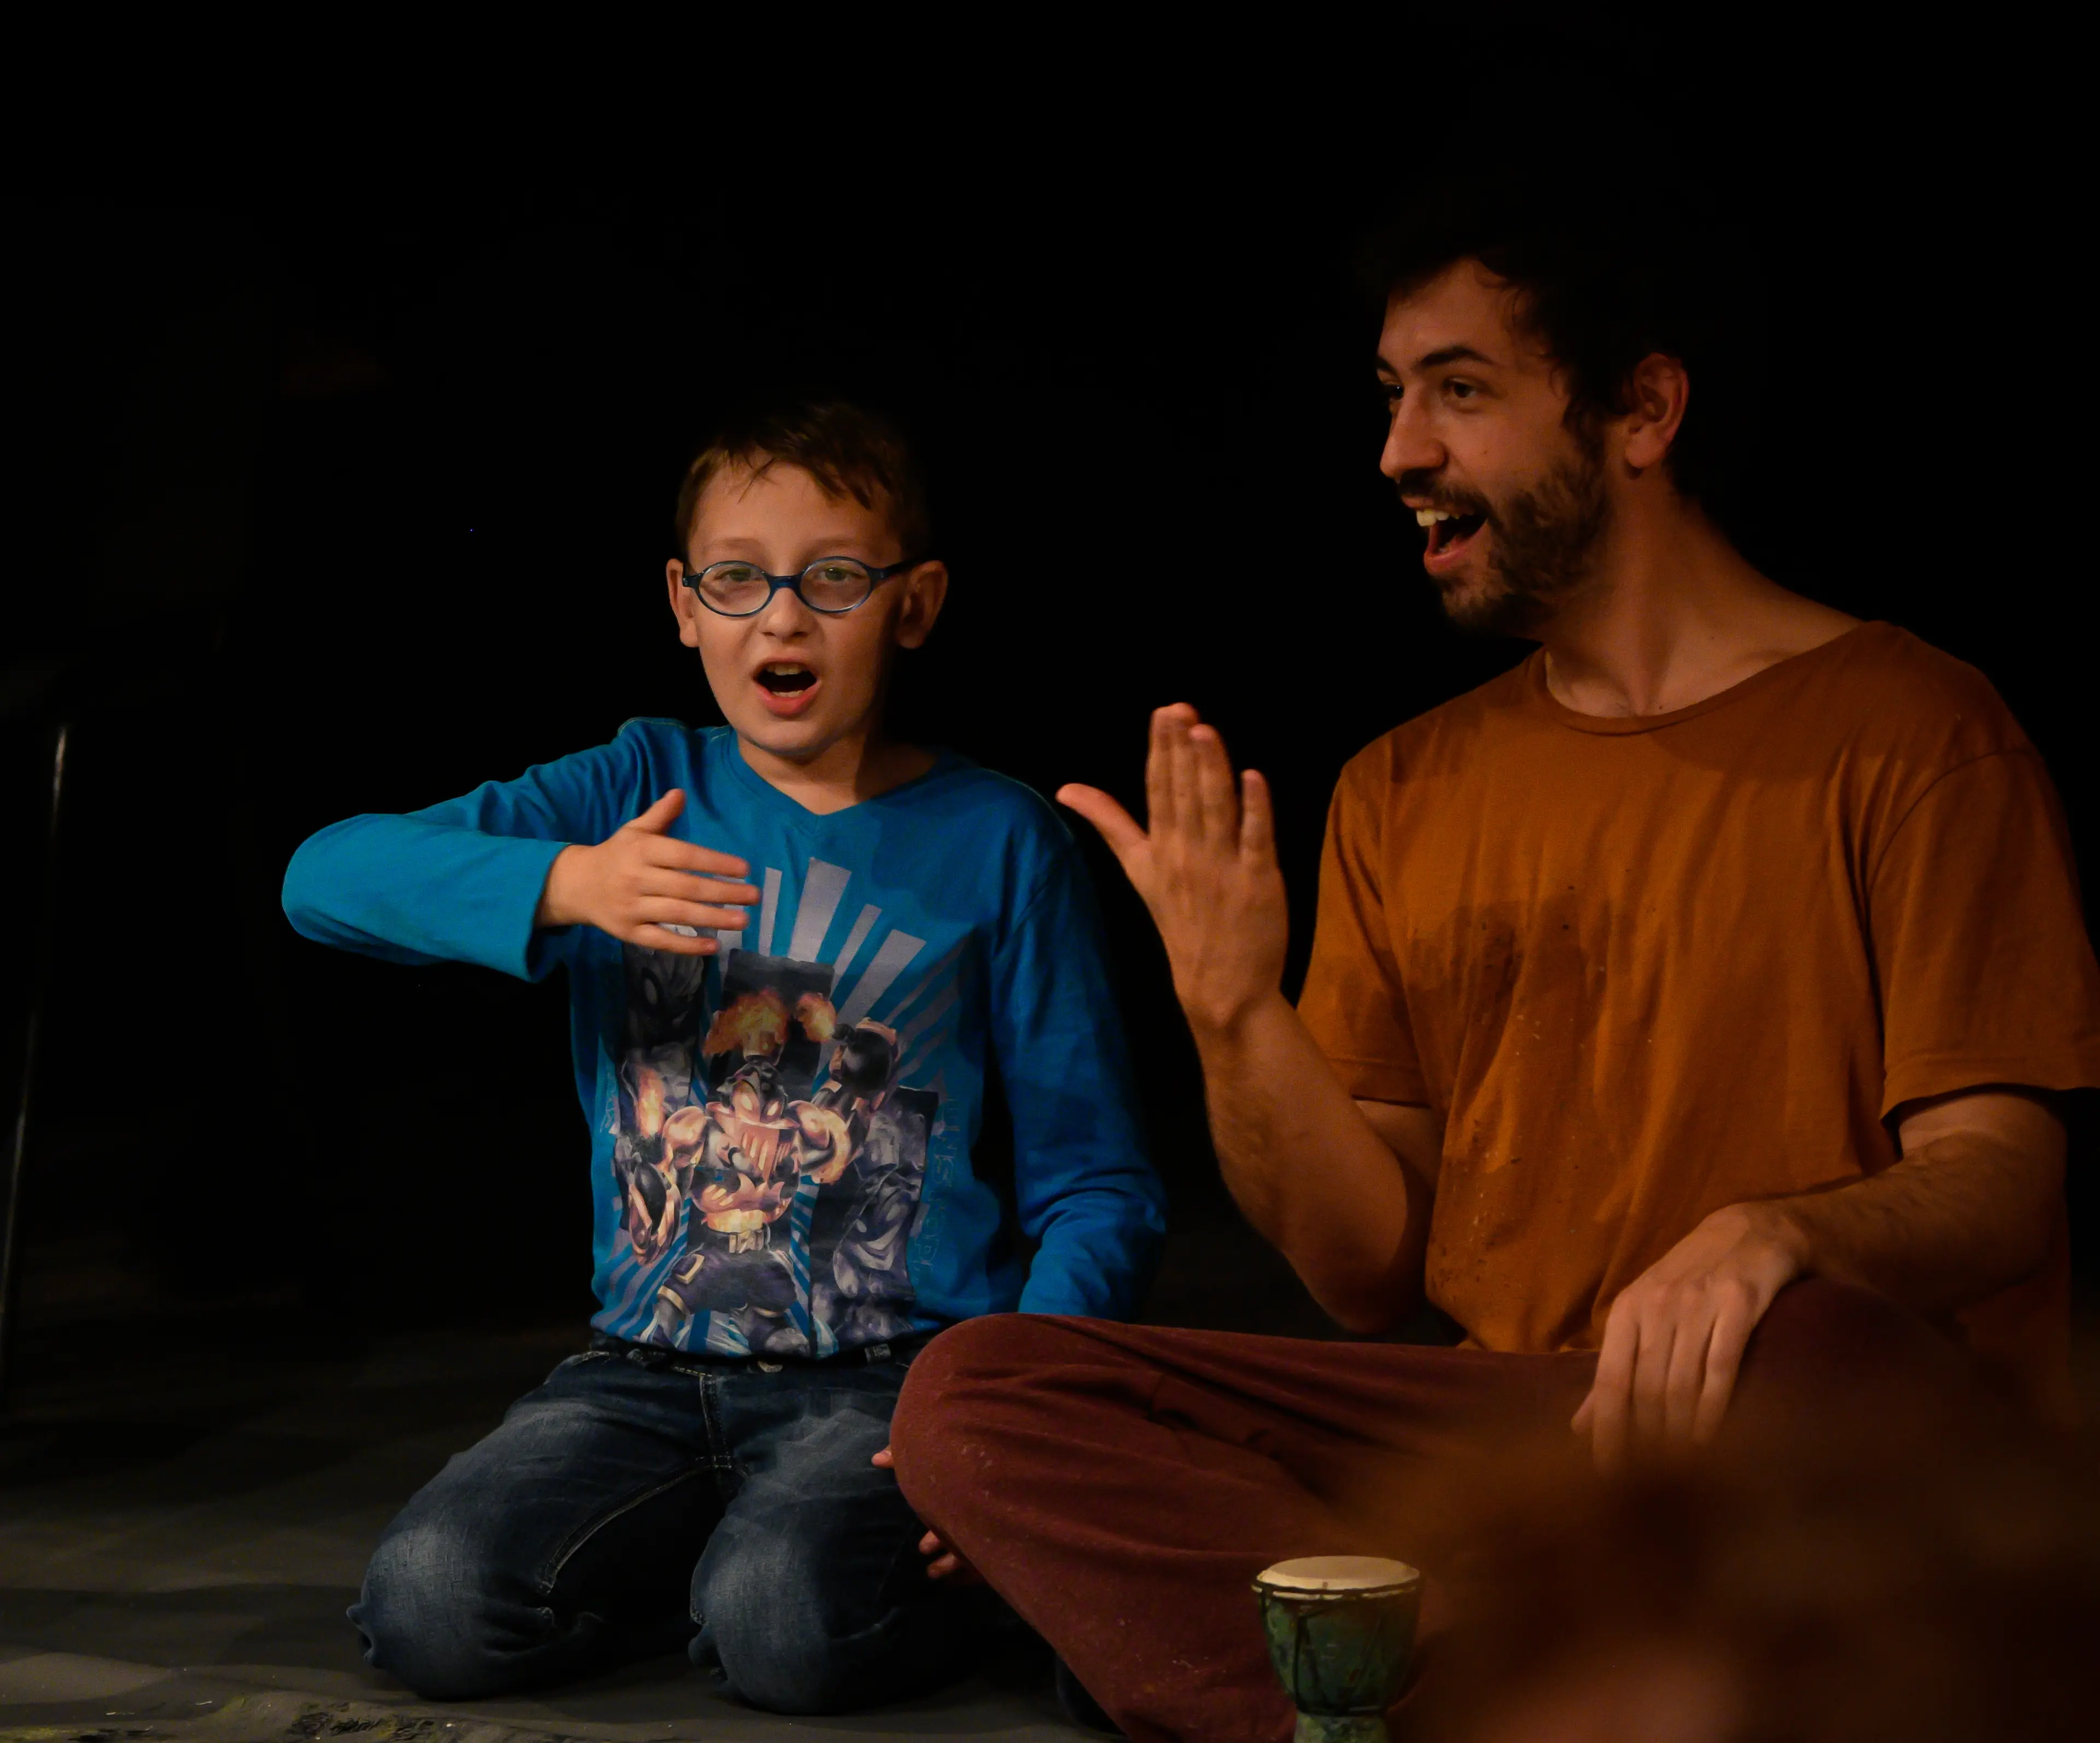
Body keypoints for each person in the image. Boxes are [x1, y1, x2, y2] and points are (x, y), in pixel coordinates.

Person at [883, 177, 2100, 1743]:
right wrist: (1233, 1012)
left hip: (1810, 1436)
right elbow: (1359, 1265)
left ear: (1642, 410)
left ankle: (1429, 1648)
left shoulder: (1917, 730)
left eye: (1460, 392)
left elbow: (2005, 1180)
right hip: (1515, 1435)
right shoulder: (1405, 786)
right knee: (984, 1396)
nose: (1400, 452)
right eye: (1394, 398)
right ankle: (1501, 1664)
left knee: (1817, 1354)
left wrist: (1777, 1236)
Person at [281, 395, 1165, 1713]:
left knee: (784, 1622)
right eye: (739, 579)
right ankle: (712, 1549)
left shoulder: (999, 839)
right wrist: (572, 881)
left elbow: (1099, 1179)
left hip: (891, 1373)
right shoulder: (637, 784)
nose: (784, 617)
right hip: (641, 1371)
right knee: (431, 1600)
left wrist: (1010, 1427)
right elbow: (322, 876)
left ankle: (817, 1565)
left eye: (835, 578)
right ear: (685, 604)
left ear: (913, 603)